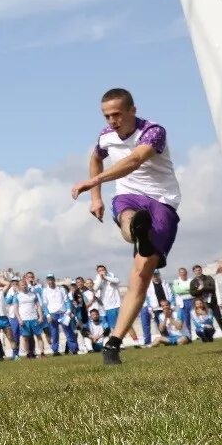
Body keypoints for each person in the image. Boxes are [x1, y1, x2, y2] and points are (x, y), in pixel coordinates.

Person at [72, 88, 182, 366]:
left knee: (141, 275)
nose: (112, 120)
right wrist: (96, 198)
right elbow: (96, 157)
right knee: (127, 215)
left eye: (117, 114)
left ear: (133, 110)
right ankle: (135, 228)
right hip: (128, 195)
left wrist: (91, 183)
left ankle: (114, 341)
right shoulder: (105, 136)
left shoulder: (153, 131)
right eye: (107, 115)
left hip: (161, 200)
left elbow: (133, 161)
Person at [188, 265, 222, 341]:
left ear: (201, 270)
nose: (198, 271)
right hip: (203, 304)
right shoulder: (193, 282)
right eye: (196, 270)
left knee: (219, 318)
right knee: (207, 321)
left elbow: (213, 288)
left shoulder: (208, 278)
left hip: (213, 301)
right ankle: (208, 337)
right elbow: (192, 293)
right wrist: (199, 290)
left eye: (199, 270)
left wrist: (203, 288)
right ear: (194, 272)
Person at [40, 274, 75, 357]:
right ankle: (55, 351)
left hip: (63, 313)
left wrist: (69, 310)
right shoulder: (45, 291)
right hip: (52, 314)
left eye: (52, 279)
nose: (50, 281)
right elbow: (44, 305)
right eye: (49, 280)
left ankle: (74, 349)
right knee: (54, 333)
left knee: (68, 332)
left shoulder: (61, 289)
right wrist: (47, 315)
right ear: (47, 281)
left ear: (54, 280)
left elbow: (66, 300)